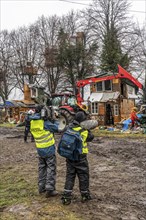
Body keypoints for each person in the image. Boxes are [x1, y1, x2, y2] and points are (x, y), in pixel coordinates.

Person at [61, 111, 94, 205]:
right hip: (81, 157)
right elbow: (91, 137)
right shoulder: (84, 131)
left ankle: (66, 197)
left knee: (70, 176)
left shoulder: (68, 128)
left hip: (70, 156)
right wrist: (88, 128)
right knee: (83, 176)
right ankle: (84, 195)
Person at [30, 105, 63, 197]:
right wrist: (55, 119)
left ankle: (41, 188)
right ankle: (50, 189)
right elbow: (58, 128)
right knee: (51, 169)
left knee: (42, 168)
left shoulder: (33, 122)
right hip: (48, 149)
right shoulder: (45, 123)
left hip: (40, 149)